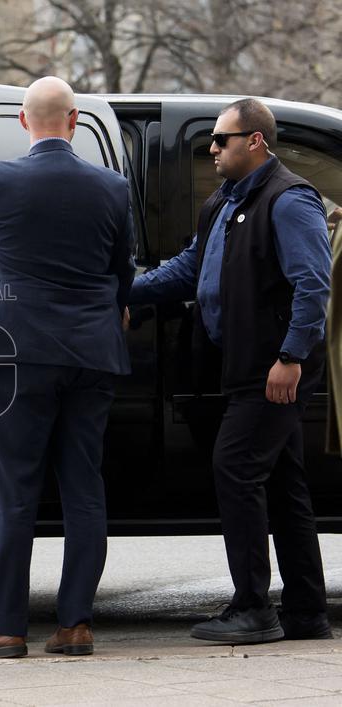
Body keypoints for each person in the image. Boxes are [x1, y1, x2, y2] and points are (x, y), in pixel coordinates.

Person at [128, 98, 332, 643]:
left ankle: (253, 610)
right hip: (239, 363)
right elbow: (191, 267)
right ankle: (308, 612)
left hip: (271, 366)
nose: (212, 148)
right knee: (284, 483)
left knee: (236, 469)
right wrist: (122, 291)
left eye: (222, 139)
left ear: (255, 141)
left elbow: (313, 286)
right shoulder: (224, 200)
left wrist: (290, 358)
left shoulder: (289, 201)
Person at [0, 76, 135, 659]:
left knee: (14, 492)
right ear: (75, 121)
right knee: (85, 491)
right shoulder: (113, 187)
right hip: (91, 354)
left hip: (18, 355)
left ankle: (4, 626)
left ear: (25, 124)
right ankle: (75, 624)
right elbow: (121, 268)